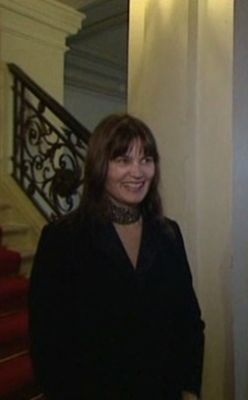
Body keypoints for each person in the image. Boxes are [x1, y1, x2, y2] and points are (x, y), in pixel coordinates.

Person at [29, 114, 205, 399]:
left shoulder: (168, 233)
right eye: (123, 160)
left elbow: (189, 322)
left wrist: (189, 388)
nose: (138, 172)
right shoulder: (62, 239)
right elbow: (47, 341)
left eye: (146, 159)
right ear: (100, 166)